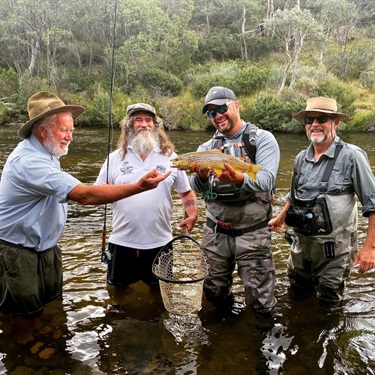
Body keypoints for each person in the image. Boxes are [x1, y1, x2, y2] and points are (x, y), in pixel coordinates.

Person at [0, 92, 170, 328]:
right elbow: (84, 195)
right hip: (19, 251)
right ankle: (27, 353)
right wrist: (138, 187)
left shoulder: (47, 152)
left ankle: (50, 344)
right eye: (64, 130)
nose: (70, 137)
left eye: (72, 129)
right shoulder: (30, 162)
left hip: (45, 247)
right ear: (42, 130)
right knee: (23, 313)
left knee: (51, 305)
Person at [269, 97, 375, 303]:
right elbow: (294, 195)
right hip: (301, 246)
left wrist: (370, 248)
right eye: (309, 120)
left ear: (335, 122)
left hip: (335, 251)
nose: (314, 124)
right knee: (297, 293)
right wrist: (280, 218)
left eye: (322, 119)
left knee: (329, 301)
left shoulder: (352, 156)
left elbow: (373, 204)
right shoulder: (300, 158)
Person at [94, 102, 198, 311]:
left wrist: (192, 212)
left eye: (148, 120)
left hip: (160, 241)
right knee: (117, 293)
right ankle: (116, 324)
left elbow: (186, 191)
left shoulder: (171, 158)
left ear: (156, 125)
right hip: (122, 241)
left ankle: (157, 323)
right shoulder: (114, 159)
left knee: (160, 292)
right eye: (138, 120)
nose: (144, 124)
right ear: (129, 126)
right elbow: (97, 193)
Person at [188, 86, 280, 313]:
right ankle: (223, 334)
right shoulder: (206, 148)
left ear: (236, 106)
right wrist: (199, 177)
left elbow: (266, 180)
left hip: (253, 233)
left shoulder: (262, 139)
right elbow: (195, 187)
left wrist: (239, 179)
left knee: (261, 301)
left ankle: (260, 341)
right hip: (215, 233)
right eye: (211, 113)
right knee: (213, 293)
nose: (217, 115)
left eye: (221, 108)